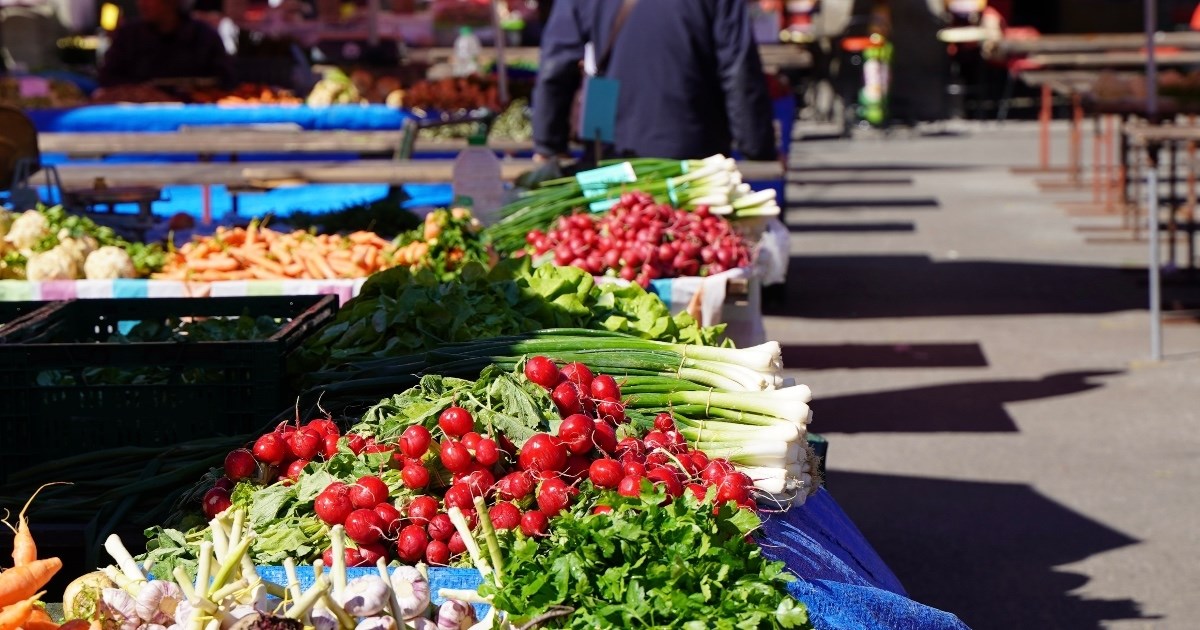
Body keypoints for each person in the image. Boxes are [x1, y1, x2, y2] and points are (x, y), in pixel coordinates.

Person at [531, 0, 778, 163]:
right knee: (688, 237)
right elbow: (739, 71)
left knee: (616, 233)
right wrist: (759, 150)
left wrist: (549, 146)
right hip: (694, 151)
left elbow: (556, 67)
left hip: (612, 150)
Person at [98, 0, 232, 88]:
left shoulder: (203, 36)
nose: (142, 3)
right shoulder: (128, 36)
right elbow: (107, 78)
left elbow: (225, 80)